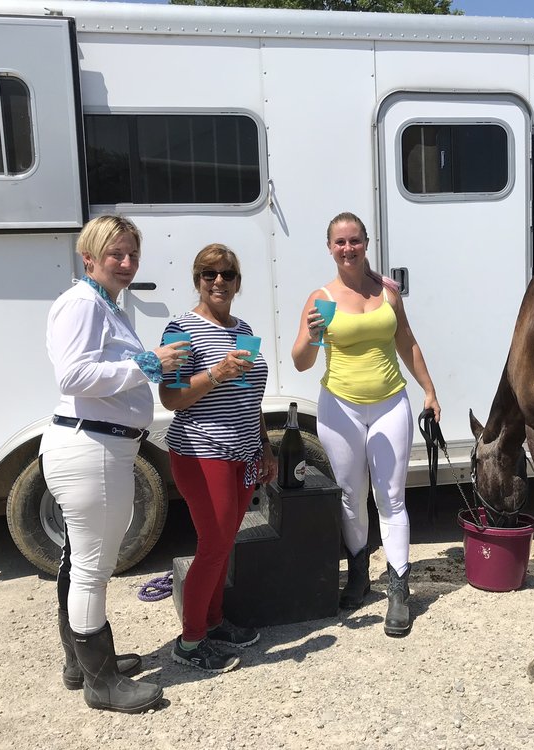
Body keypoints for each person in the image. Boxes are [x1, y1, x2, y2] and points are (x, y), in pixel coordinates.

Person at [41, 214, 188, 713]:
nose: (127, 264)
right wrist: (148, 365)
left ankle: (81, 664)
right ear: (89, 258)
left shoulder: (104, 305)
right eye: (115, 255)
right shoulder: (83, 304)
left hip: (99, 446)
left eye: (132, 254)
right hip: (93, 449)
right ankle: (100, 683)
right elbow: (75, 376)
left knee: (78, 562)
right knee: (91, 569)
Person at [291, 211, 440, 637]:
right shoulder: (320, 298)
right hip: (341, 408)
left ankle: (398, 588)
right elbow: (301, 362)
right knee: (350, 497)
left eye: (354, 240)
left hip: (391, 402)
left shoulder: (388, 292)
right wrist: (312, 335)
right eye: (340, 242)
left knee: (391, 497)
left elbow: (407, 341)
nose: (348, 249)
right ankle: (358, 572)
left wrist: (429, 390)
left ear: (366, 242)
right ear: (330, 248)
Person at [159, 243, 277, 673]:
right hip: (201, 451)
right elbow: (171, 397)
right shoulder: (180, 329)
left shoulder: (242, 328)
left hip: (243, 453)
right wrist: (216, 373)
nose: (219, 281)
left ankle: (212, 622)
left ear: (238, 282)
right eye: (209, 274)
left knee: (224, 544)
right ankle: (190, 644)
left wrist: (264, 446)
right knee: (213, 546)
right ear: (197, 280)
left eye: (227, 274)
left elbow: (250, 398)